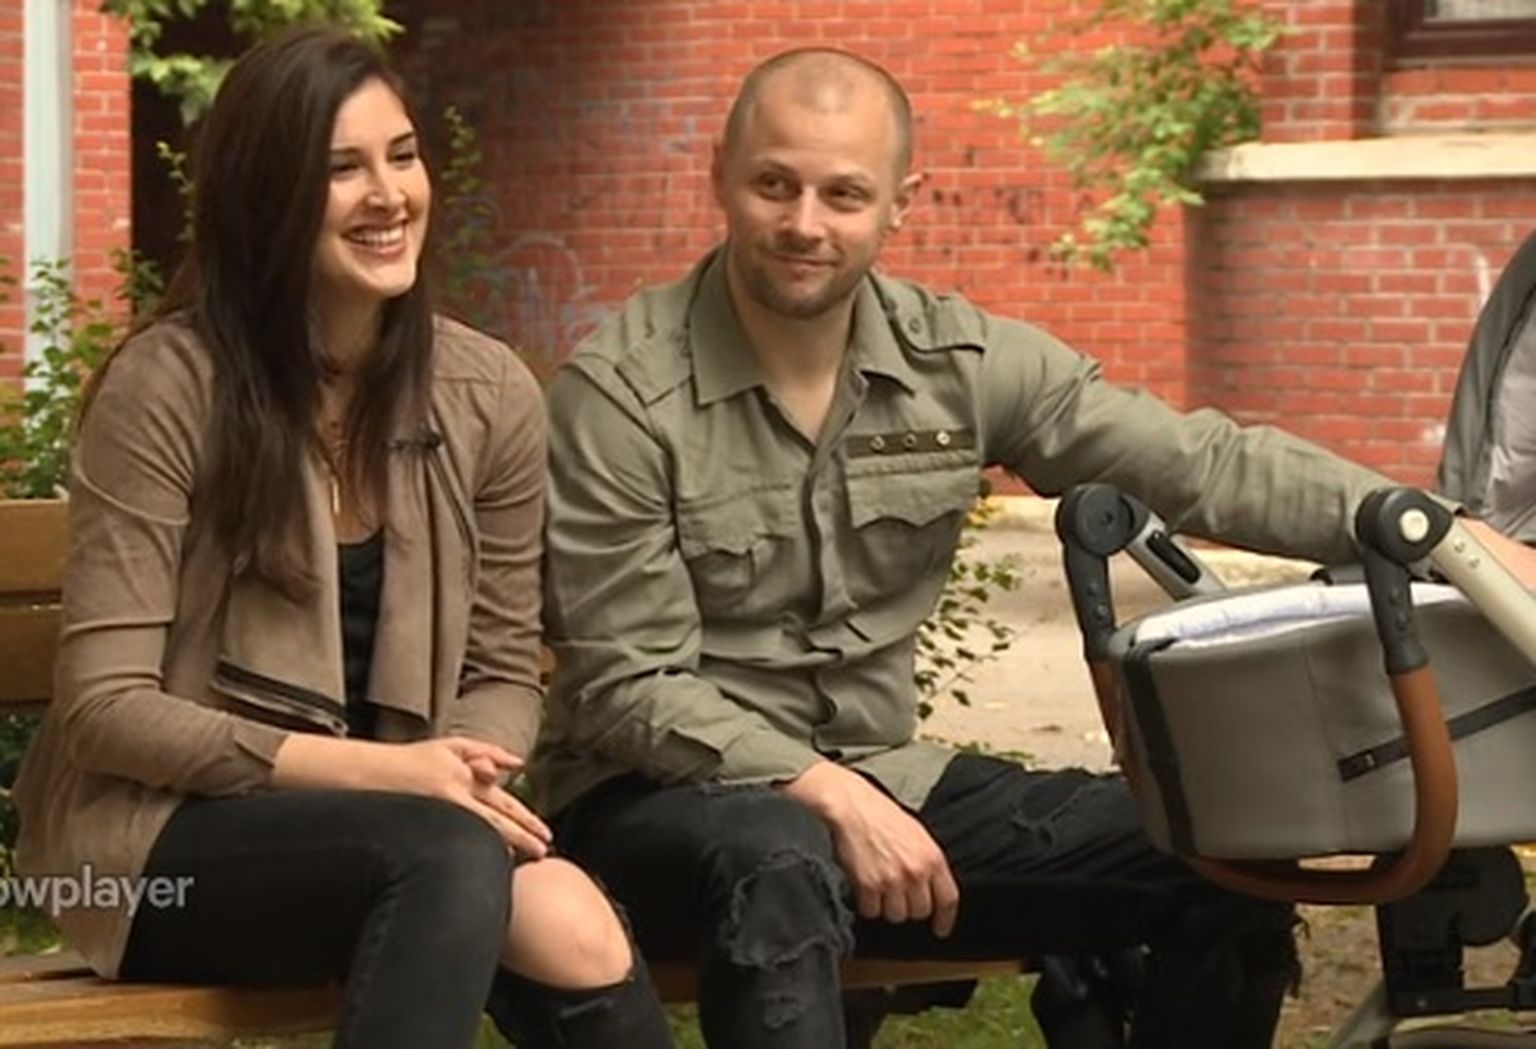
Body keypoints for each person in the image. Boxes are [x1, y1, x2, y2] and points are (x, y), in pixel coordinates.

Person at [532, 46, 1536, 1048]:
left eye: (843, 194)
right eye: (773, 184)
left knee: (1219, 859)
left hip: (887, 783)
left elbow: (1200, 464)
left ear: (899, 204)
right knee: (779, 855)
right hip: (661, 805)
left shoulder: (956, 362)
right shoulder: (624, 393)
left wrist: (1447, 535)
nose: (804, 222)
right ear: (720, 174)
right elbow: (630, 683)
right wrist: (823, 790)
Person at [10, 26, 673, 1049]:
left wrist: (458, 772)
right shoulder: (168, 388)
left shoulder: (487, 392)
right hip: (143, 852)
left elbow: (502, 666)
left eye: (402, 155)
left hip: (412, 831)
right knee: (448, 860)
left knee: (570, 920)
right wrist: (391, 775)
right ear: (265, 198)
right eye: (341, 169)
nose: (389, 194)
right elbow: (105, 710)